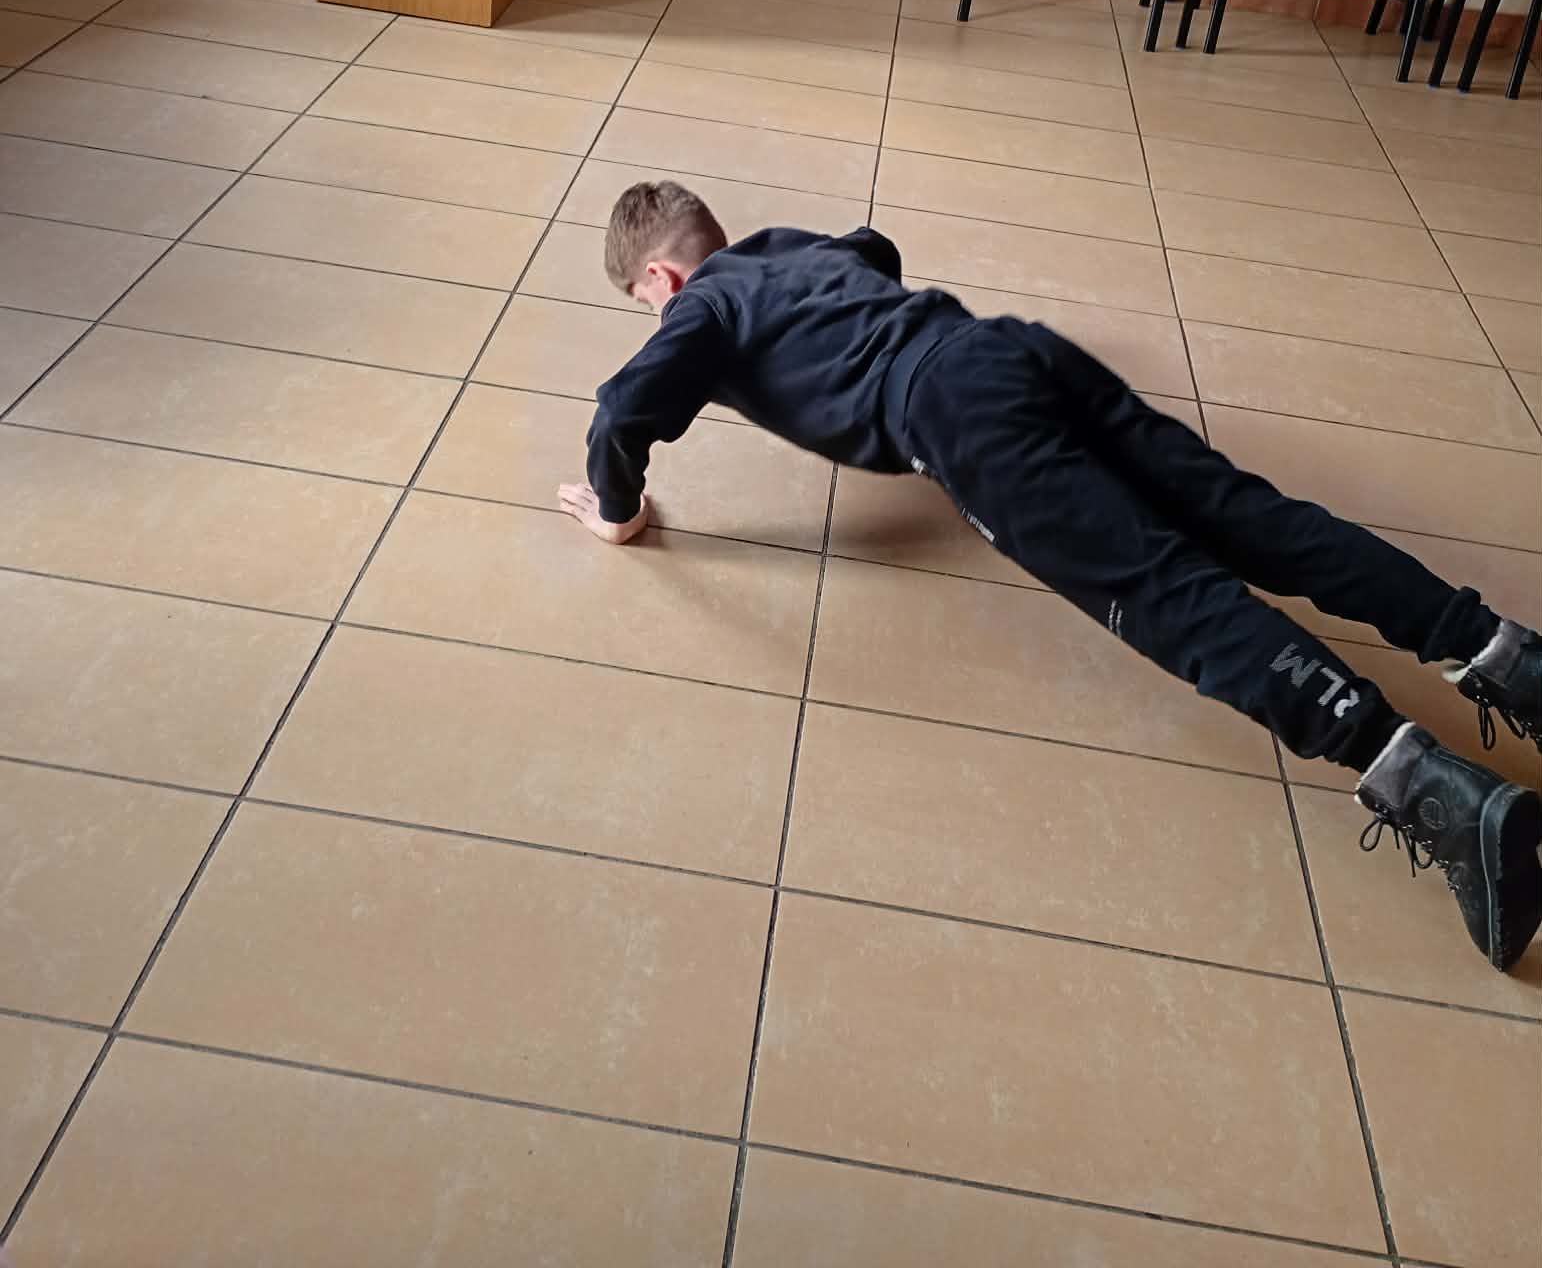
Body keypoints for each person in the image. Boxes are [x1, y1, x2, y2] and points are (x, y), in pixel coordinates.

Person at [558, 181, 1542, 972]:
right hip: (1009, 346)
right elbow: (875, 248)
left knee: (1170, 597)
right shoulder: (782, 247)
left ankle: (1447, 798)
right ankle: (1507, 655)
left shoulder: (700, 307)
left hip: (956, 416)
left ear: (662, 275)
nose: (658, 315)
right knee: (1252, 519)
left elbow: (620, 414)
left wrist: (618, 510)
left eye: (648, 301)